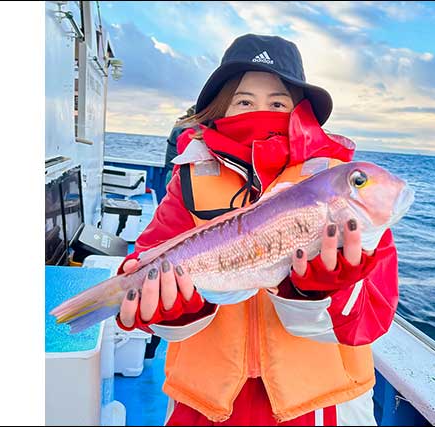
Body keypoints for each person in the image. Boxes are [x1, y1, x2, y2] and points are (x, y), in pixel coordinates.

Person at [115, 34, 399, 426]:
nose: (261, 112)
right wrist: (176, 309)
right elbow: (150, 270)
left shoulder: (338, 188)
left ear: (300, 111)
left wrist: (320, 291)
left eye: (278, 103)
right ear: (221, 107)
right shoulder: (190, 178)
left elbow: (373, 316)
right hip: (205, 404)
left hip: (321, 408)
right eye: (244, 101)